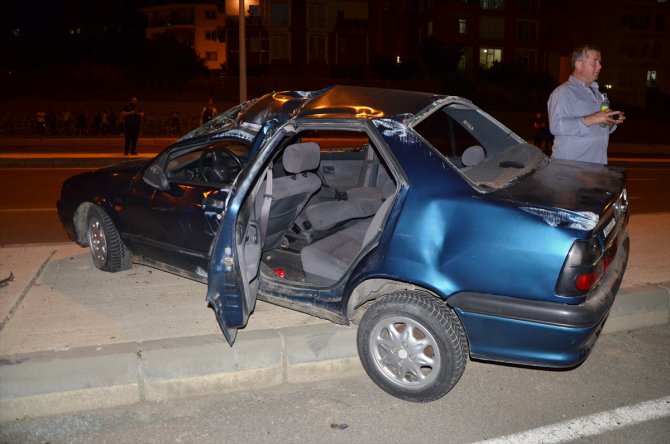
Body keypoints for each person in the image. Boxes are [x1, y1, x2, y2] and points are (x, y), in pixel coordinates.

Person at [547, 44, 625, 164]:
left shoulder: (598, 94)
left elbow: (599, 127)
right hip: (570, 168)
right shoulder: (564, 92)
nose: (600, 66)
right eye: (595, 61)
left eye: (600, 61)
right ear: (579, 65)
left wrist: (610, 121)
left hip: (596, 166)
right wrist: (593, 118)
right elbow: (556, 126)